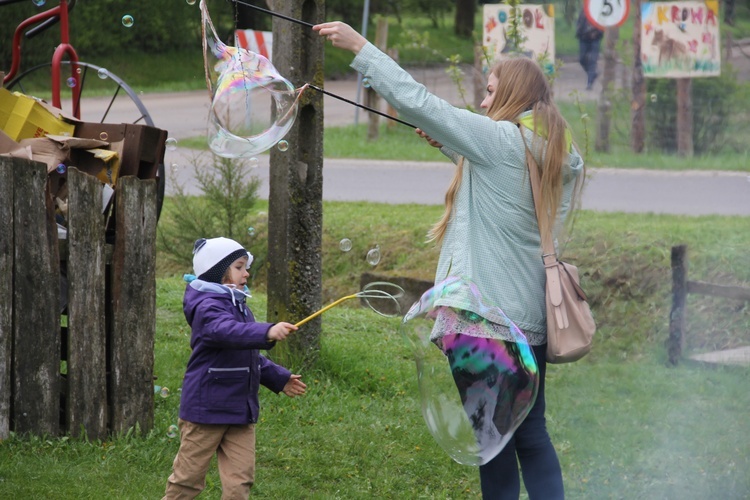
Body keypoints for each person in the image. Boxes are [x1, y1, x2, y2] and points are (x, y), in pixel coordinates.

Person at [313, 21, 585, 500]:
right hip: (527, 323)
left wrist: (362, 48)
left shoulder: (501, 142)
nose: (482, 102)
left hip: (484, 321)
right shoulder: (552, 152)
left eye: (490, 91)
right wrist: (451, 146)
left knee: (493, 442)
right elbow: (504, 196)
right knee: (530, 434)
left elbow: (422, 102)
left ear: (513, 95)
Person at [163, 237, 306, 499]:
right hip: (205, 411)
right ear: (218, 271)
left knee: (240, 483)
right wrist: (267, 330)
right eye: (239, 267)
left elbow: (246, 354)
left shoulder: (236, 303)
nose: (247, 272)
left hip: (240, 411)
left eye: (245, 267)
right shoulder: (206, 306)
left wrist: (278, 378)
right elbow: (225, 332)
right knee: (187, 481)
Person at [576, 10, 604, 90]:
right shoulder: (583, 10)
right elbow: (579, 23)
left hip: (595, 39)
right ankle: (592, 75)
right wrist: (579, 32)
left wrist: (597, 33)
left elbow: (602, 25)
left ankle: (589, 82)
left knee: (592, 61)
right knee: (582, 59)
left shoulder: (597, 9)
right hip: (584, 38)